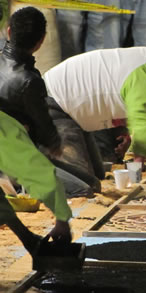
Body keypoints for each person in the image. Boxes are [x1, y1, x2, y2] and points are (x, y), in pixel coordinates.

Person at [43, 46, 146, 187]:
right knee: (84, 186)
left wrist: (138, 161)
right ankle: (28, 175)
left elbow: (145, 125)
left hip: (75, 114)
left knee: (98, 175)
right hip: (55, 105)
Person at [0, 7, 72, 254]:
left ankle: (28, 240)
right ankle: (29, 239)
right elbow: (43, 134)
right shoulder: (29, 81)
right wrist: (62, 220)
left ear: (8, 31)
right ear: (41, 42)